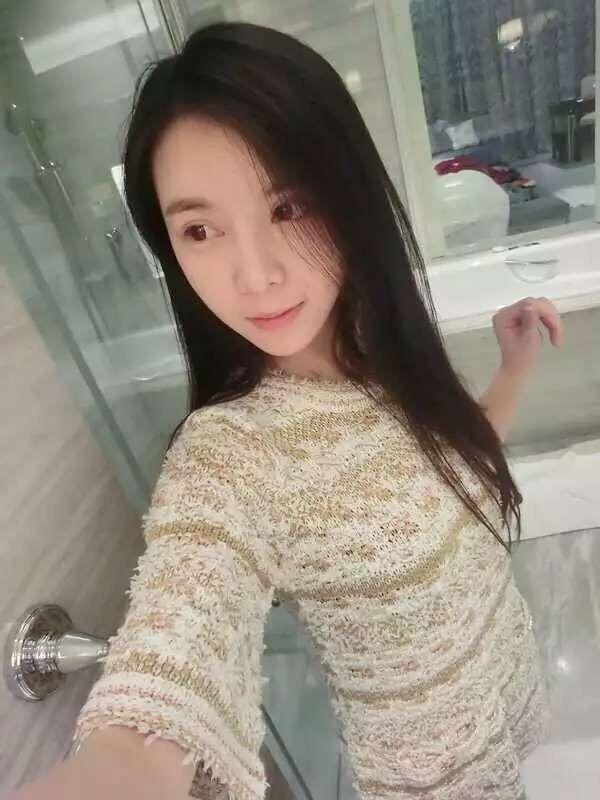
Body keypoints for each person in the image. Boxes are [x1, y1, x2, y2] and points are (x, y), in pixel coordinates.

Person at [7, 21, 564, 800]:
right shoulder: (232, 453)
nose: (254, 275)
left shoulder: (379, 357)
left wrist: (514, 367)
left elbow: (443, 479)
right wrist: (126, 760)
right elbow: (174, 655)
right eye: (200, 229)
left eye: (288, 207)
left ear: (347, 194)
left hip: (502, 687)